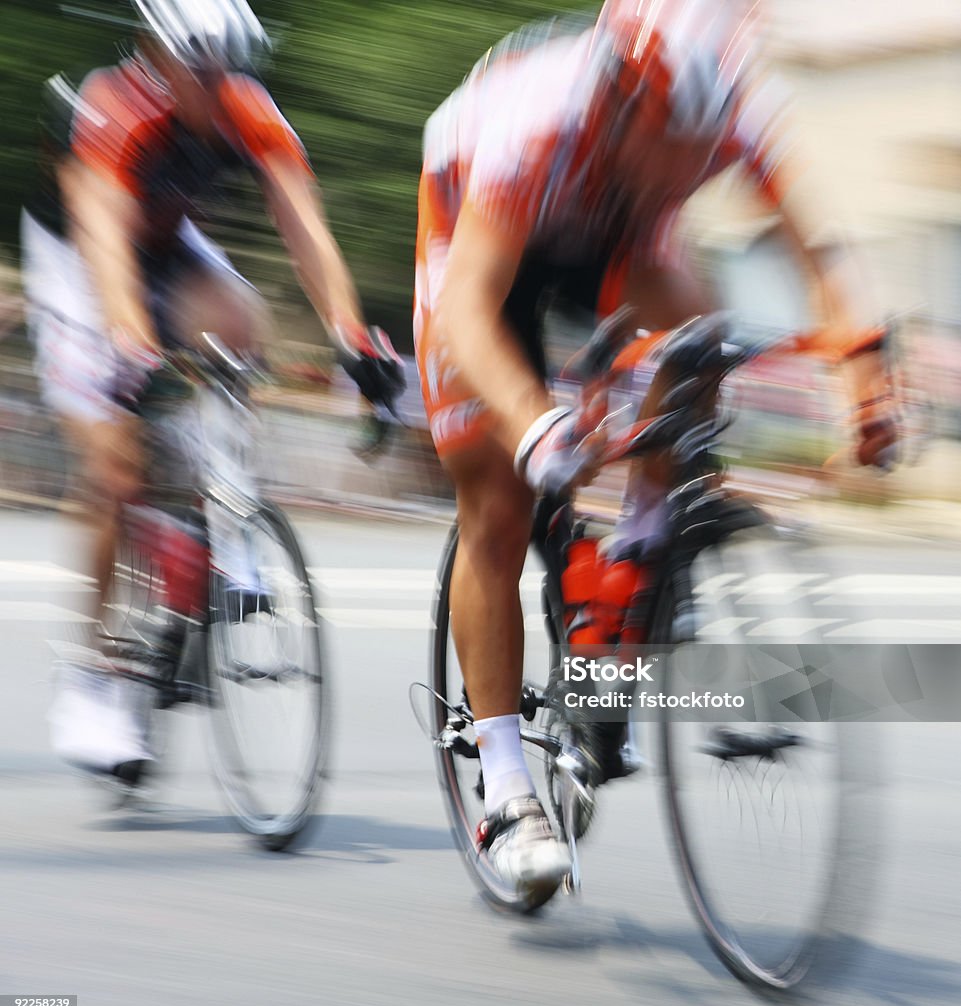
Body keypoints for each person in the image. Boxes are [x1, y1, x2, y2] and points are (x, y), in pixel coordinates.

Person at [413, 0, 896, 905]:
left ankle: (632, 561)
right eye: (673, 137)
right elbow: (467, 312)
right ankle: (507, 786)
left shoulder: (725, 112)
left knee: (698, 339)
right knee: (500, 498)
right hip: (484, 234)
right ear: (624, 96)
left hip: (611, 228)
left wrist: (864, 362)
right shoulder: (537, 123)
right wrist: (532, 423)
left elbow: (820, 244)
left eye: (701, 143)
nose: (690, 163)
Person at [21, 0, 403, 785]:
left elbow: (306, 229)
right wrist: (131, 343)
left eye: (229, 70)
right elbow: (102, 241)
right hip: (80, 256)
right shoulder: (114, 112)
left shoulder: (246, 110)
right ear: (157, 57)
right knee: (116, 466)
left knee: (241, 322)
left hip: (167, 243)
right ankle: (95, 674)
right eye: (200, 69)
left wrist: (353, 338)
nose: (216, 84)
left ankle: (226, 517)